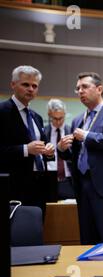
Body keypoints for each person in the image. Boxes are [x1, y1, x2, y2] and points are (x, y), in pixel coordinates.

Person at [58, 72, 103, 244]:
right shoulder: (77, 120)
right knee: (86, 237)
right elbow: (77, 154)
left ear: (99, 89)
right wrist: (62, 150)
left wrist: (88, 136)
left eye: (85, 87)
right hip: (82, 185)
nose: (80, 91)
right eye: (77, 88)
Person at [0, 65, 55, 215]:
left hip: (39, 185)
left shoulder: (36, 117)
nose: (30, 89)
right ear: (13, 85)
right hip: (13, 187)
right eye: (25, 84)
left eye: (34, 86)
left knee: (36, 231)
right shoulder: (2, 112)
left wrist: (49, 151)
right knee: (16, 234)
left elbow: (43, 149)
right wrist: (25, 149)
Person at [44, 99, 75, 199]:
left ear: (65, 114)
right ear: (49, 115)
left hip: (69, 179)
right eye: (55, 118)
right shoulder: (43, 132)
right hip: (48, 178)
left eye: (61, 118)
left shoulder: (72, 132)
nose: (58, 121)